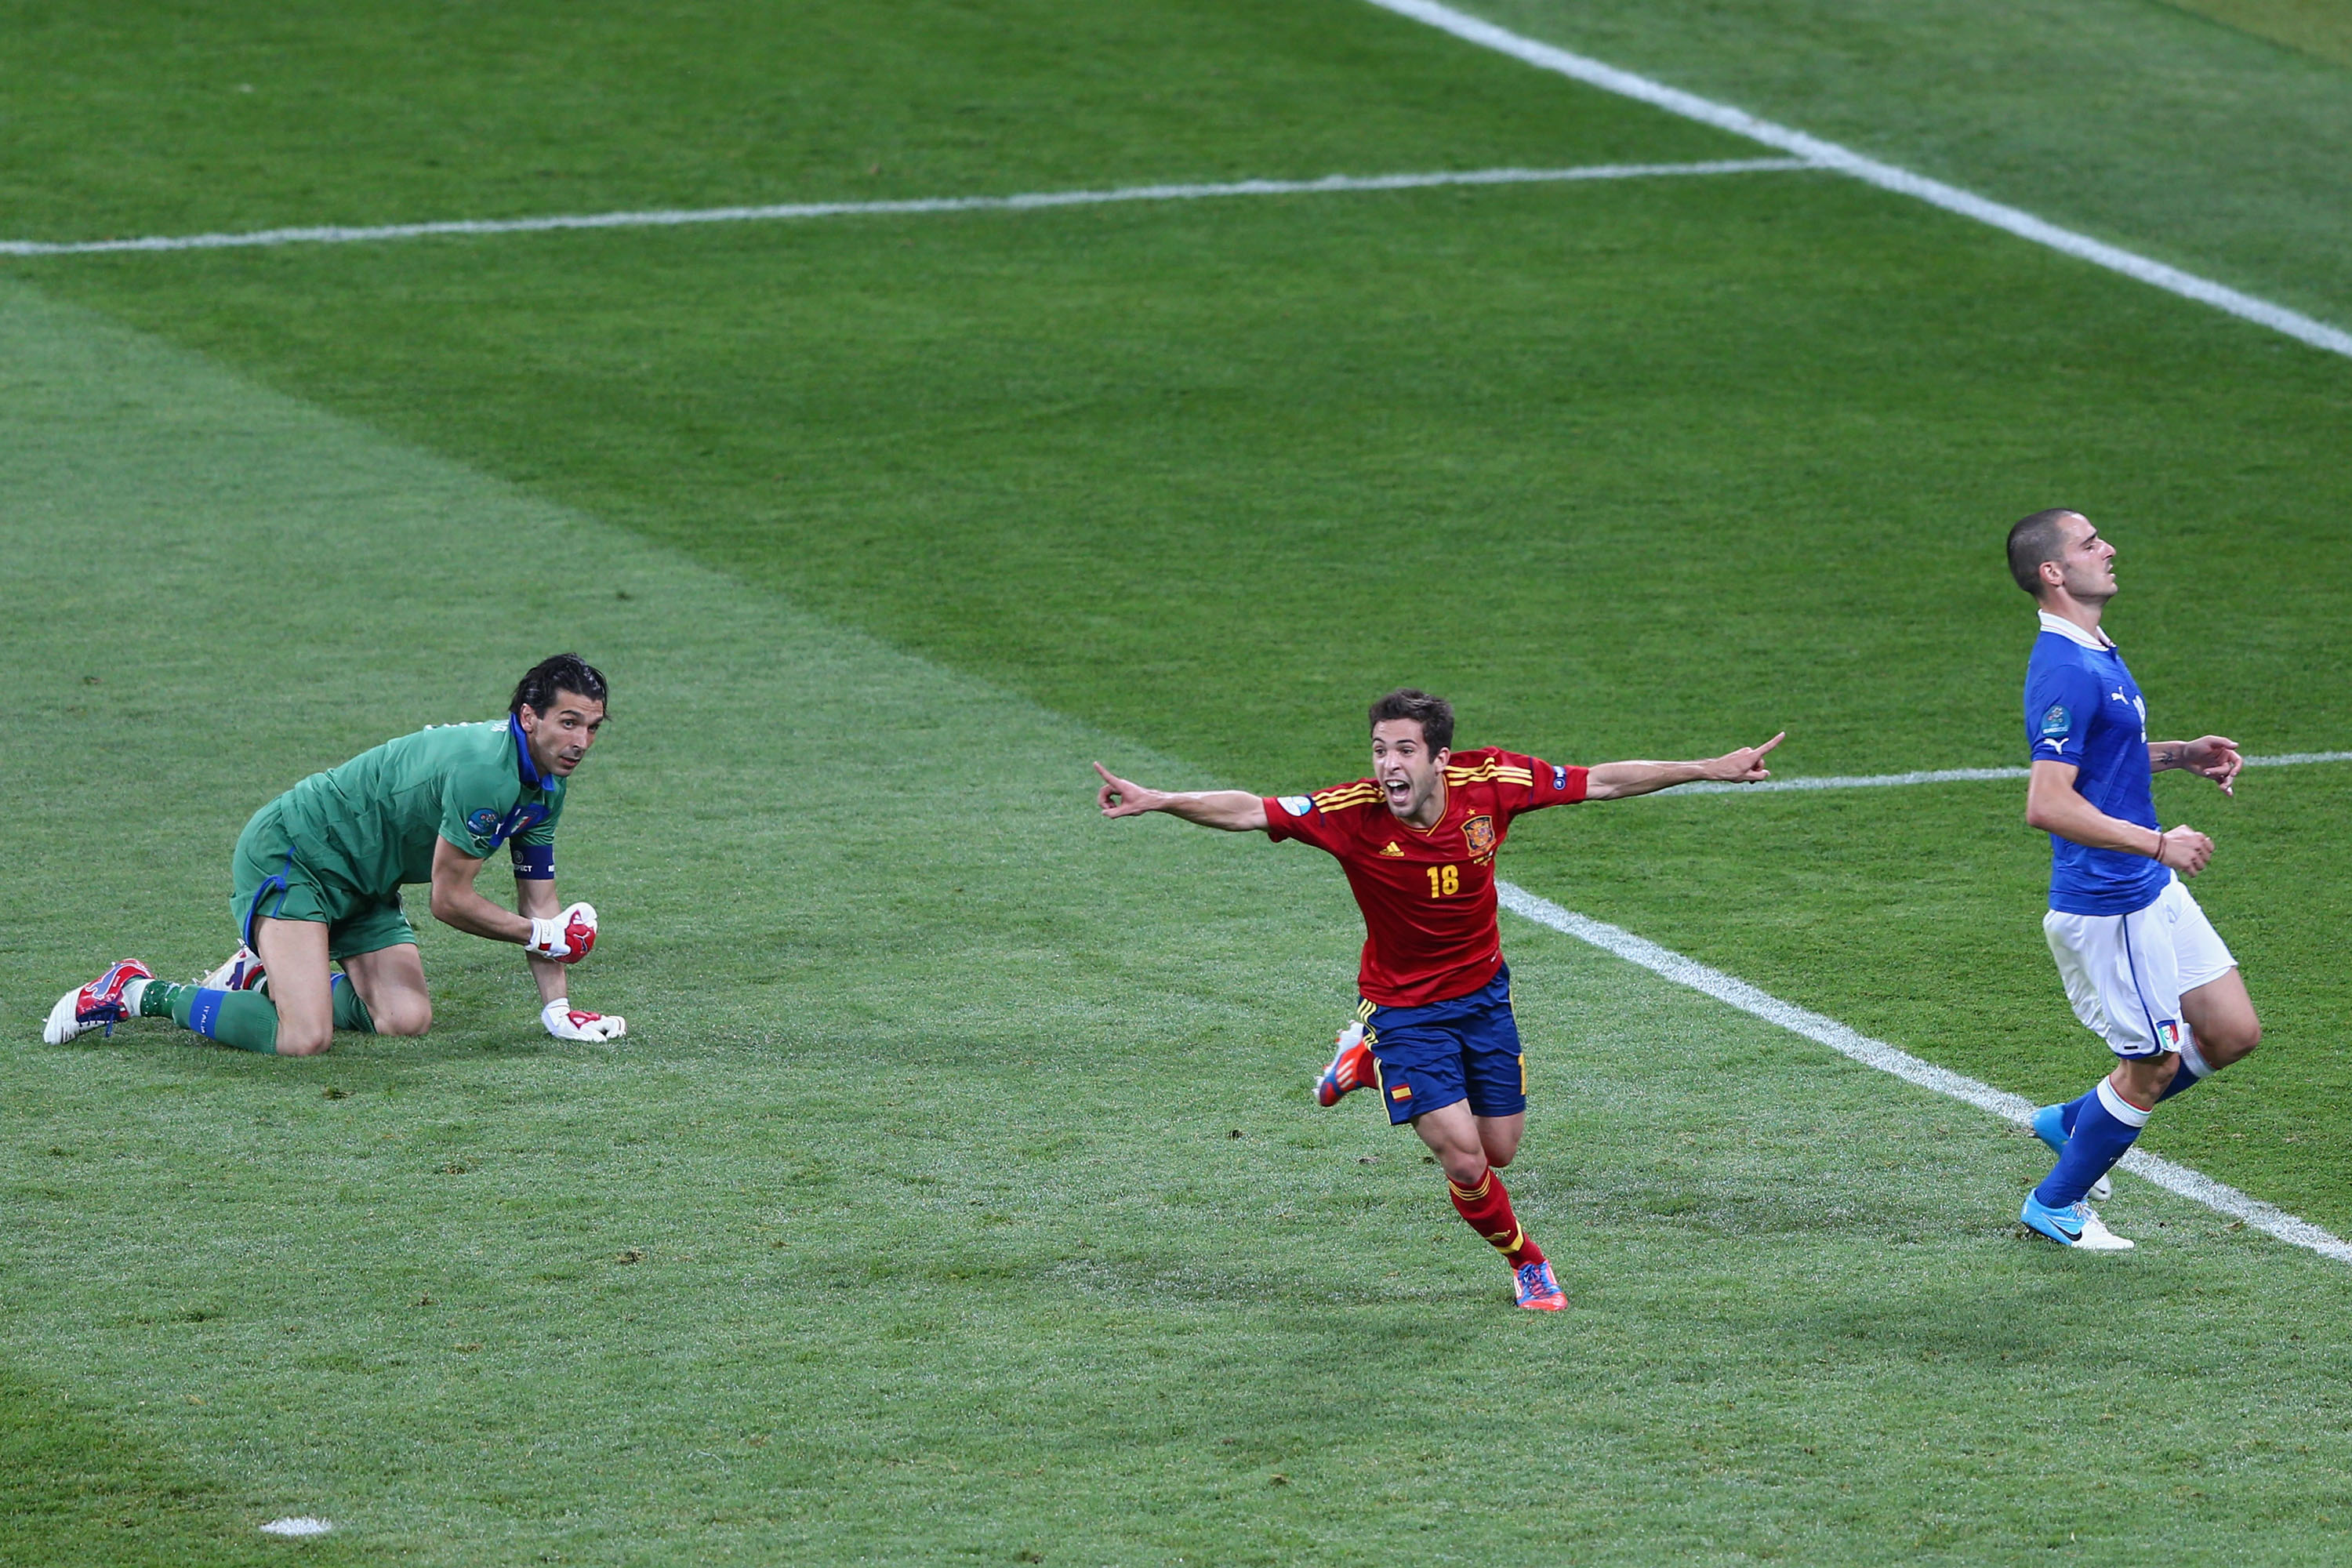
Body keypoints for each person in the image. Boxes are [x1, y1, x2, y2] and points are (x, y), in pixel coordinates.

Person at [1094, 690, 1783, 1311]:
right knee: (1463, 1159)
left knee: (1500, 1149)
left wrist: (1707, 767)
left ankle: (1361, 1061)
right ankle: (1528, 1264)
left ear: (1439, 759)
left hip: (1483, 996)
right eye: (1377, 749)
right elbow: (1249, 810)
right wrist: (1161, 799)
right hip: (1403, 1008)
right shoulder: (1349, 813)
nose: (1386, 765)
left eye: (1402, 750)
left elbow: (1601, 780)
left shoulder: (1494, 783)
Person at [42, 654, 627, 1058]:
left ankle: (267, 973)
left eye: (593, 728)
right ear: (529, 716)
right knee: (306, 1038)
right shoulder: (485, 776)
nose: (581, 743)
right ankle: (136, 991)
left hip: (364, 886)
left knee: (405, 1021)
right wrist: (540, 935)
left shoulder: (547, 784)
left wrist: (558, 1009)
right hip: (295, 855)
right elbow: (451, 903)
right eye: (568, 723)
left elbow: (542, 905)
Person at [2006, 509, 2259, 1250]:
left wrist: (2181, 753)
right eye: (2089, 544)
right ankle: (2055, 1205)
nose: (2108, 548)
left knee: (2231, 1030)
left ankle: (2072, 1121)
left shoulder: (2096, 650)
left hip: (2145, 889)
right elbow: (2046, 803)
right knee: (2153, 1062)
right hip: (2109, 900)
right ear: (2053, 572)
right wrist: (2158, 843)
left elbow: (2101, 760)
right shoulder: (2065, 666)